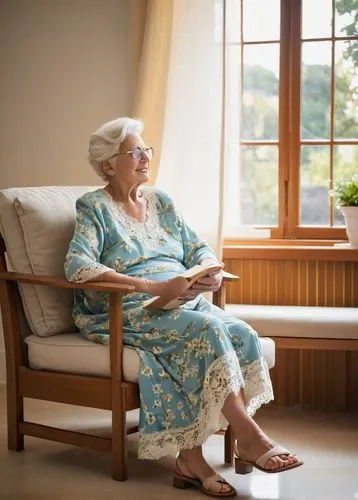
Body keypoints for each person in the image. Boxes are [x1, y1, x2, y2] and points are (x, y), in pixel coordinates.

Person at [65, 117, 302, 497]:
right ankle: (250, 438)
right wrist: (149, 285)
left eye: (147, 150)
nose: (145, 157)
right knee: (206, 331)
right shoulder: (93, 207)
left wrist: (212, 274)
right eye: (134, 151)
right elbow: (77, 265)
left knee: (239, 331)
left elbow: (198, 247)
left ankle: (190, 459)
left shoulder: (161, 201)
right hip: (125, 306)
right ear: (109, 164)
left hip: (179, 299)